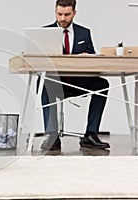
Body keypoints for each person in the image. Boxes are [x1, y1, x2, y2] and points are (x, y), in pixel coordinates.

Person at [40, 0, 110, 150]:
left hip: (79, 82)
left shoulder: (84, 33)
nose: (63, 18)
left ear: (74, 13)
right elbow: (38, 60)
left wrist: (87, 57)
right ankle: (52, 135)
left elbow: (93, 61)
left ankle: (90, 135)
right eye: (59, 14)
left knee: (102, 84)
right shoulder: (44, 33)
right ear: (55, 12)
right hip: (56, 84)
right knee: (44, 82)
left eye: (67, 14)